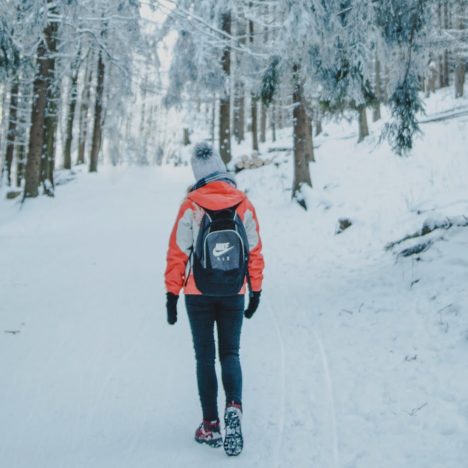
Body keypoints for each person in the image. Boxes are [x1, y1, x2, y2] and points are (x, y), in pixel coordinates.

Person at [164, 142, 264, 456]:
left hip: (198, 293)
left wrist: (172, 294)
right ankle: (234, 405)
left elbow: (177, 254)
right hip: (234, 291)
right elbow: (255, 252)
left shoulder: (191, 204)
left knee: (205, 358)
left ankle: (210, 425)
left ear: (196, 172)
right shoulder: (243, 202)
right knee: (230, 353)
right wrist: (256, 290)